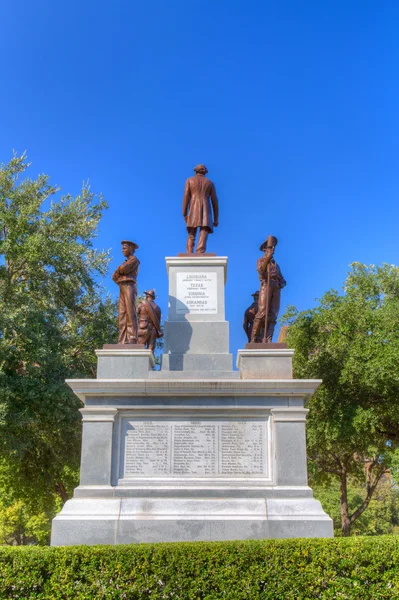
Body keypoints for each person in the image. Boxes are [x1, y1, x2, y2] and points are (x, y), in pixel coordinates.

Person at [250, 236, 286, 343]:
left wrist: (282, 283)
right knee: (262, 312)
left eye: (273, 247)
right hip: (266, 285)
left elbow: (282, 278)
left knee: (273, 313)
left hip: (276, 287)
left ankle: (269, 338)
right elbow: (261, 271)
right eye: (270, 247)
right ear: (265, 249)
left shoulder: (276, 265)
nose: (273, 249)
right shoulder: (261, 260)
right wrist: (267, 259)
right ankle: (254, 338)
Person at [182, 164, 219, 253]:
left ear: (196, 171)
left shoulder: (189, 181)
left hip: (193, 207)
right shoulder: (209, 183)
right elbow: (215, 202)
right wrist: (216, 218)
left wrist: (184, 213)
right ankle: (200, 250)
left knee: (191, 233)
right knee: (204, 231)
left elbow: (186, 197)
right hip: (206, 209)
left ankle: (189, 251)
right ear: (205, 172)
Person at [112, 240, 140, 344]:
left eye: (125, 248)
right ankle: (122, 339)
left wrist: (119, 270)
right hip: (122, 286)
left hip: (129, 286)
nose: (122, 250)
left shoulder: (134, 260)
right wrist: (119, 271)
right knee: (122, 313)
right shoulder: (125, 261)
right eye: (122, 248)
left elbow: (124, 269)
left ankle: (132, 338)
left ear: (131, 249)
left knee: (130, 311)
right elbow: (114, 277)